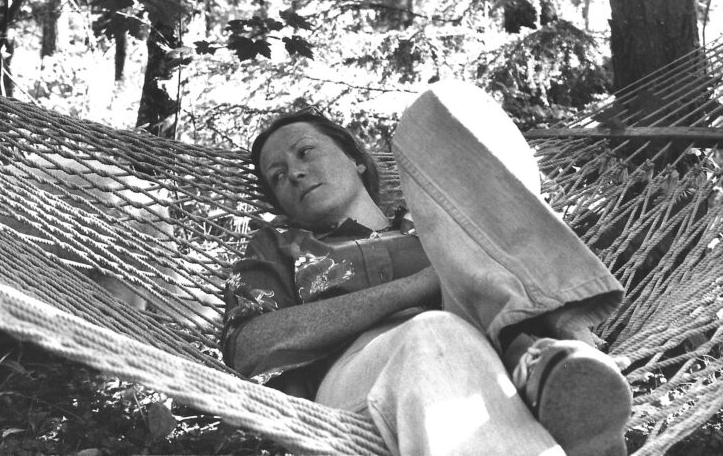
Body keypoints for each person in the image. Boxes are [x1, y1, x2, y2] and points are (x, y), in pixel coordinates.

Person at [222, 81, 632, 455]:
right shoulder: (276, 246)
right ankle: (538, 372)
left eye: (305, 151)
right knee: (434, 332)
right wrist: (417, 287)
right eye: (276, 176)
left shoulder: (437, 222)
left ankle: (548, 360)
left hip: (482, 353)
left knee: (431, 114)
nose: (293, 172)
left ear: (355, 158)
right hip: (351, 394)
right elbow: (249, 346)